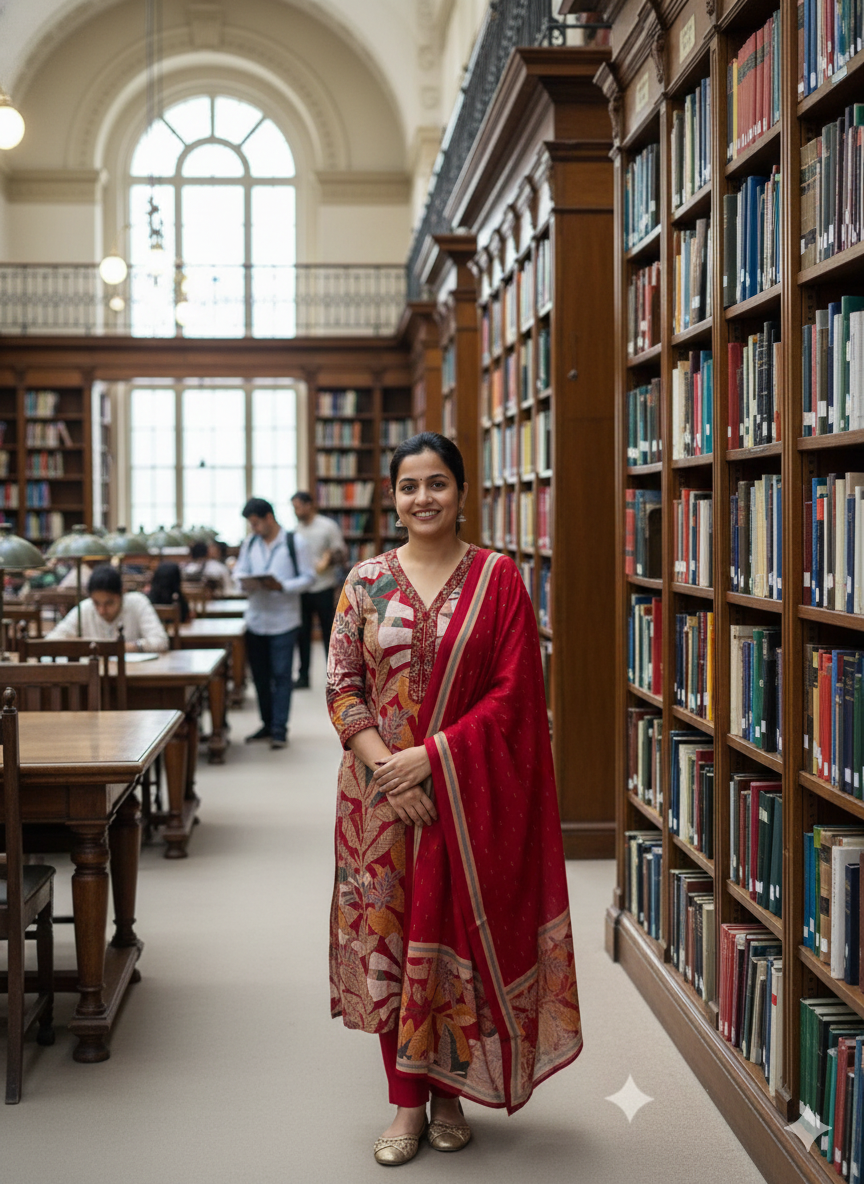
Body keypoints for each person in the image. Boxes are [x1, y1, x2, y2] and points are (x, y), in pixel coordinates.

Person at [326, 432, 582, 1166]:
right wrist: (386, 772)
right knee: (391, 943)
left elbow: (514, 697)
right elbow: (343, 688)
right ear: (393, 496)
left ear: (463, 491)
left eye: (437, 483)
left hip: (464, 801)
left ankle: (449, 1094)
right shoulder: (366, 581)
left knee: (454, 944)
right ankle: (406, 1105)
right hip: (378, 807)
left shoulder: (499, 580)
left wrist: (432, 761)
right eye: (409, 486)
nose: (423, 498)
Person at [234, 497, 313, 749]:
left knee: (281, 676)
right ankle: (267, 723)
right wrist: (244, 581)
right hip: (256, 619)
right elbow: (238, 573)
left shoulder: (294, 542)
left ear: (269, 518)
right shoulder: (250, 543)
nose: (253, 528)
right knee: (259, 676)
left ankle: (279, 728)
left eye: (256, 523)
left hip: (284, 621)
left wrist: (283, 586)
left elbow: (309, 578)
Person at [290, 491, 346, 689]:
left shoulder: (327, 526)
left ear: (309, 505)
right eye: (293, 508)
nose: (296, 511)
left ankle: (333, 675)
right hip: (303, 588)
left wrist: (328, 558)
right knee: (303, 634)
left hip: (324, 586)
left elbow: (340, 552)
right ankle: (303, 676)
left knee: (328, 633)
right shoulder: (296, 530)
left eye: (298, 507)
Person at [46, 564, 170, 652]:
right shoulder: (85, 608)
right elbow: (51, 641)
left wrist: (126, 647)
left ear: (122, 593)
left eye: (109, 603)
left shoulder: (137, 602)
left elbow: (161, 641)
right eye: (97, 603)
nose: (102, 610)